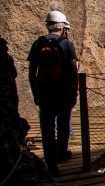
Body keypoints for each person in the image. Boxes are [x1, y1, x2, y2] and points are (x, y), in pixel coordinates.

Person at [28, 11, 79, 176]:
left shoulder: (38, 43)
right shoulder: (66, 44)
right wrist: (74, 94)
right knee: (63, 125)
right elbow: (73, 71)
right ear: (63, 27)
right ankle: (61, 154)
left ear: (48, 25)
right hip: (62, 93)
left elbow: (31, 72)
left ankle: (51, 165)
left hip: (44, 93)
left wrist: (35, 93)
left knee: (47, 128)